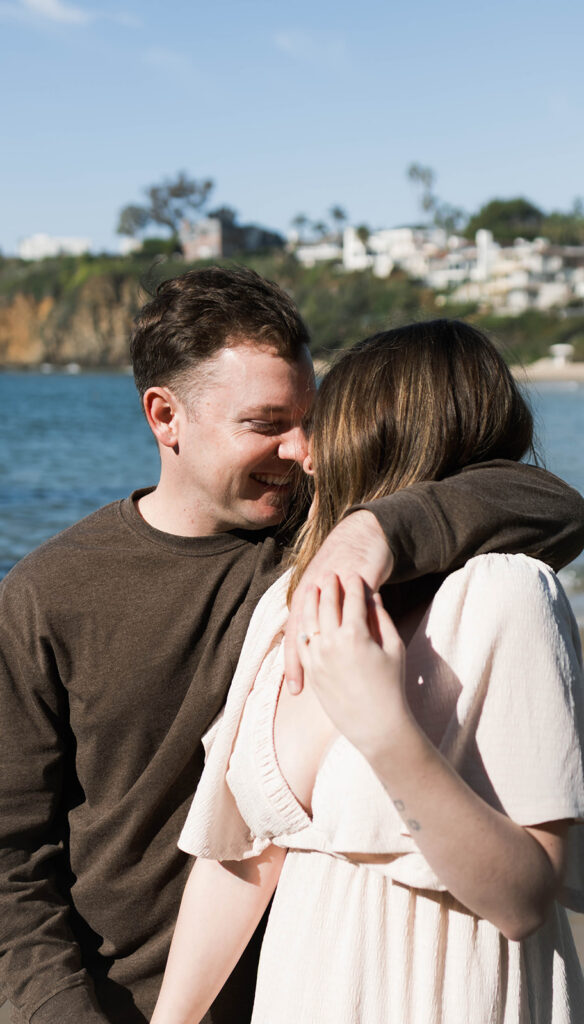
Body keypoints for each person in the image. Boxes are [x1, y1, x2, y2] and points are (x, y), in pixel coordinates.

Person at [0, 270, 582, 1024]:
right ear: (165, 416)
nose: (303, 449)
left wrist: (375, 531)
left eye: (311, 418)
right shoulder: (50, 592)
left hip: (312, 987)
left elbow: (547, 501)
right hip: (128, 1001)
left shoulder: (316, 544)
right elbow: (11, 852)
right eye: (266, 421)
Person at [153, 319, 584, 1024]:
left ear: (385, 437)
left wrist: (386, 731)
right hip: (304, 992)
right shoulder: (291, 601)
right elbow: (243, 858)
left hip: (446, 997)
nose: (298, 451)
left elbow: (525, 900)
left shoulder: (505, 595)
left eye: (323, 425)